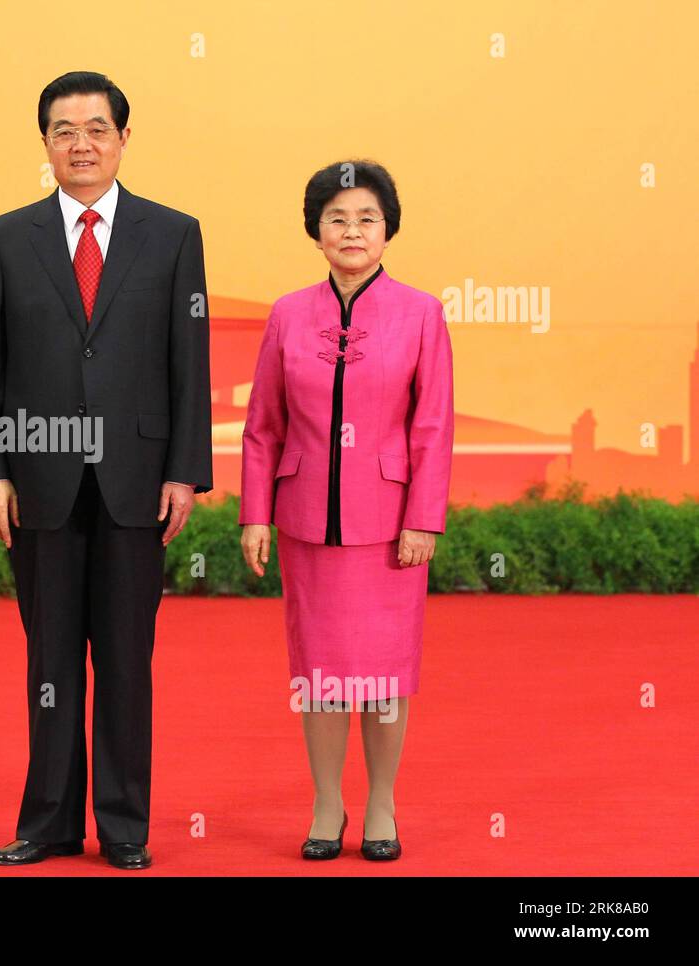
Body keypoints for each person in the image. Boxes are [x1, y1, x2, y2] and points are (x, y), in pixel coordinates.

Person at [0, 70, 212, 870]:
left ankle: (126, 825)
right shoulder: (7, 238)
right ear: (45, 144)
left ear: (124, 139)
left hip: (139, 482)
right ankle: (48, 822)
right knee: (50, 660)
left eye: (97, 129)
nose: (82, 144)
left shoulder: (173, 235)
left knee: (127, 661)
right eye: (64, 131)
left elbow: (188, 365)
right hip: (38, 481)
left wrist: (186, 471)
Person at [238, 160, 453, 861]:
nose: (351, 231)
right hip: (304, 520)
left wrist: (424, 516)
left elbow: (433, 424)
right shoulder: (288, 313)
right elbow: (263, 425)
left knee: (385, 675)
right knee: (323, 674)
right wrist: (255, 513)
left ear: (387, 229)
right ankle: (327, 803)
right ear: (316, 232)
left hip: (390, 526)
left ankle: (383, 803)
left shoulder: (421, 312)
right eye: (337, 219)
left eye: (365, 218)